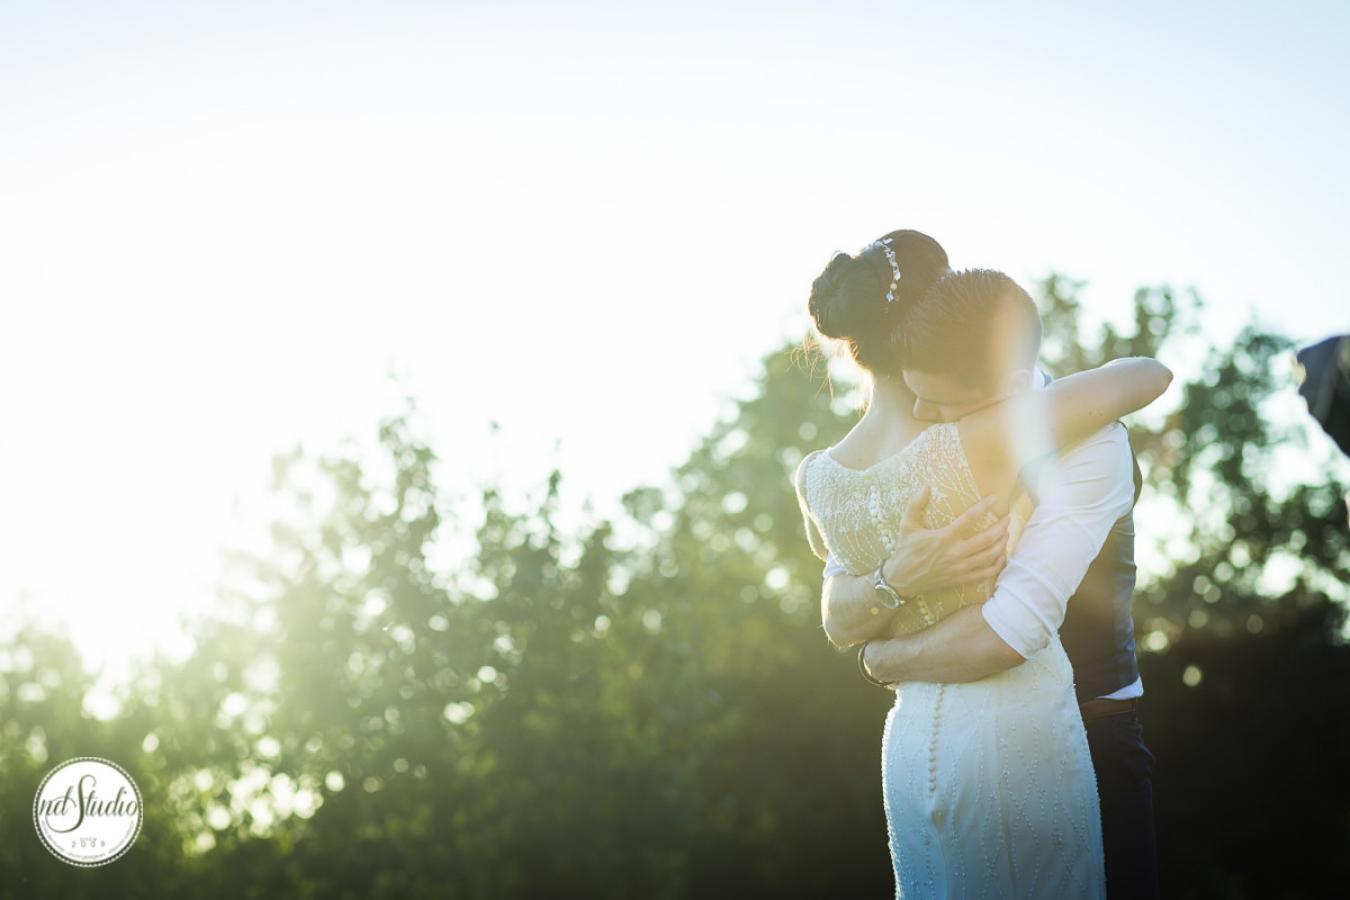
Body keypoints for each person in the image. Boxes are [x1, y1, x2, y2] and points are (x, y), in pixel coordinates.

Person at [795, 247, 1171, 898]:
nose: (931, 418)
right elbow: (840, 602)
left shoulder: (1077, 430)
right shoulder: (942, 436)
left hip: (1080, 727)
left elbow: (997, 628)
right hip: (1004, 734)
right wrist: (892, 583)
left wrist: (886, 657)